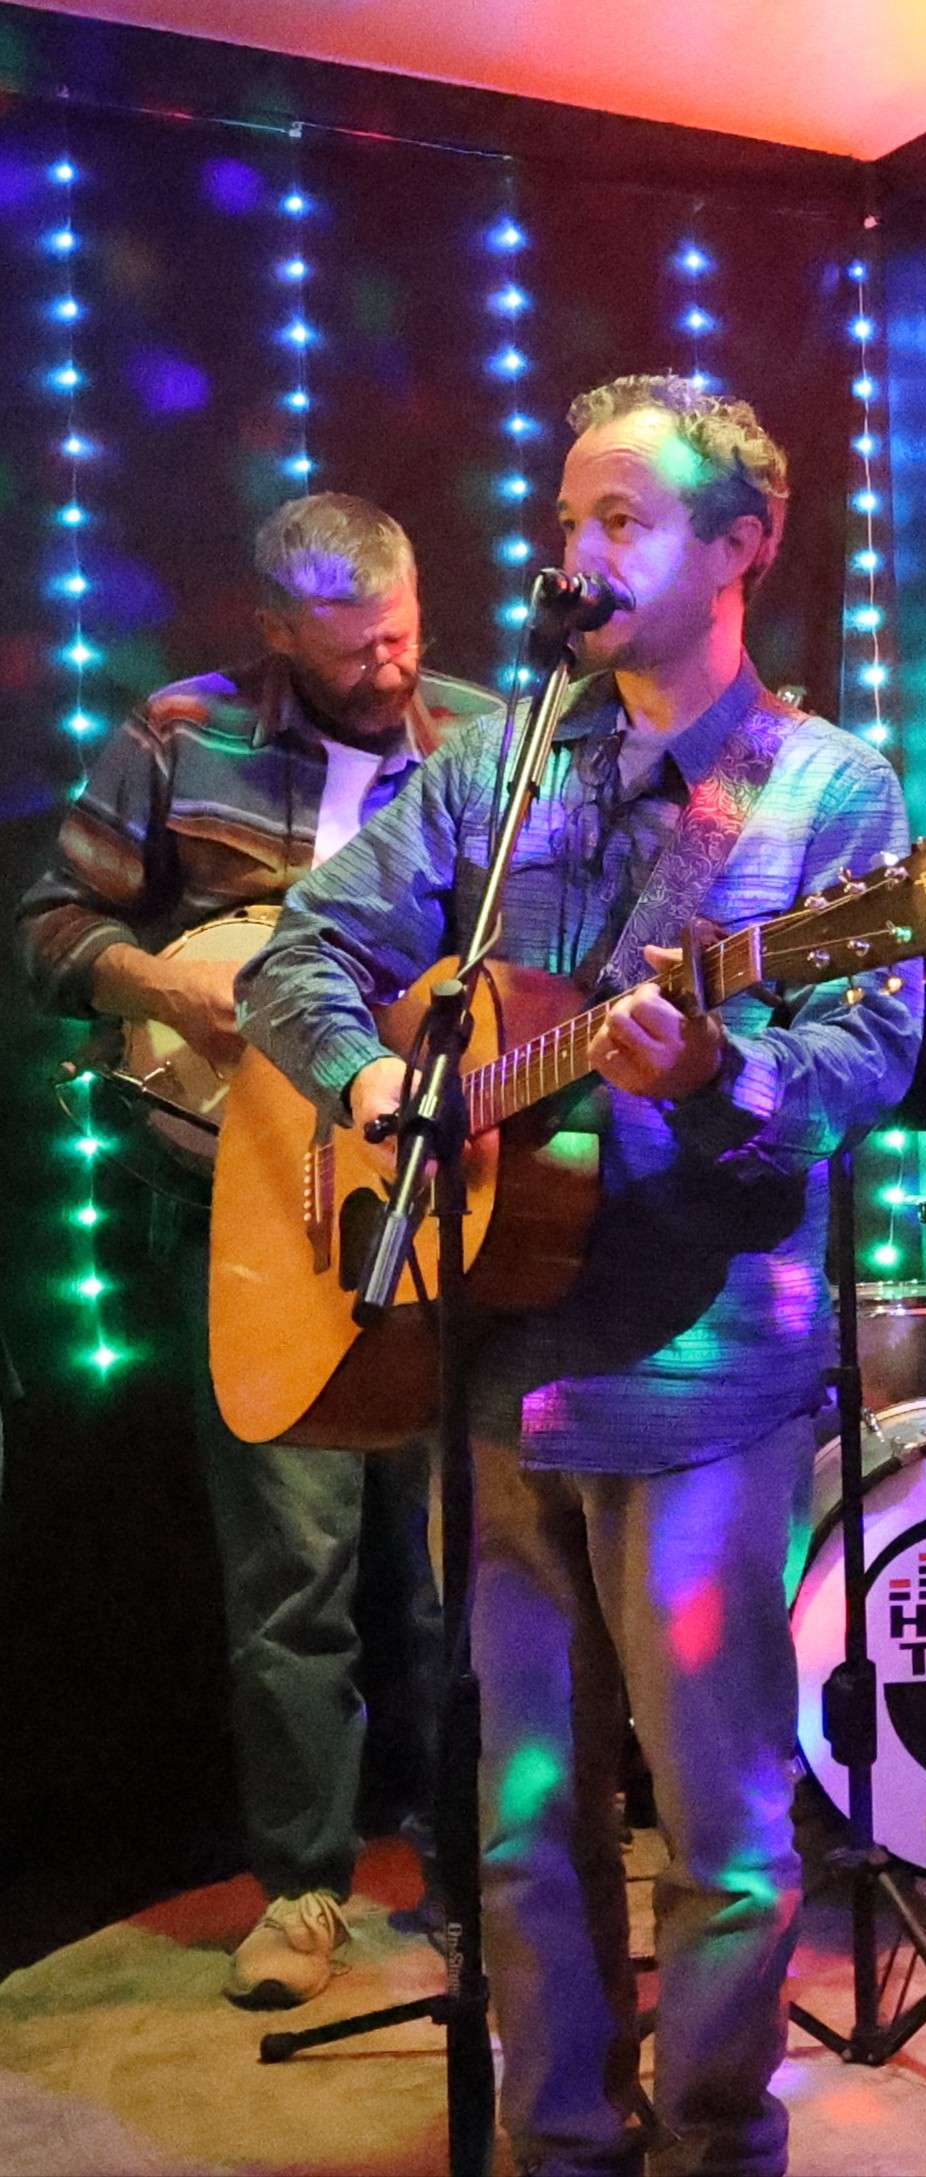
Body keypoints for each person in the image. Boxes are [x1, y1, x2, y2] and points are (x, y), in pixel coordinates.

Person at [235, 375, 921, 2177]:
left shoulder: (831, 793)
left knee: (724, 1828)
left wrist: (718, 1074)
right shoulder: (497, 761)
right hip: (494, 1364)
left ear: (741, 546)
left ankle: (711, 2141)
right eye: (568, 517)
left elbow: (863, 1056)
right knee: (524, 1814)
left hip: (701, 1375)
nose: (578, 549)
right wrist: (372, 1079)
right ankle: (558, 2146)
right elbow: (304, 952)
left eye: (624, 516)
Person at [17, 494, 493, 2005]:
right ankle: (303, 1884)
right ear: (277, 630)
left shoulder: (486, 739)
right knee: (294, 1570)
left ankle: (470, 1872)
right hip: (237, 1200)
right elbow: (47, 928)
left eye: (404, 633)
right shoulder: (175, 736)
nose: (388, 668)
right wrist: (167, 981)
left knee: (450, 1565)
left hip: (431, 1202)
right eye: (353, 649)